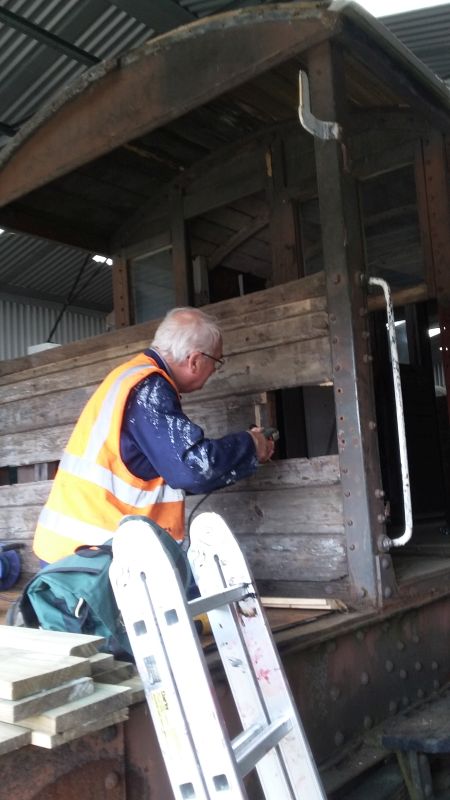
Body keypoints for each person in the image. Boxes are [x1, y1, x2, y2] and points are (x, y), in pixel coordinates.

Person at [33, 307, 274, 565]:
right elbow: (194, 469)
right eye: (216, 362)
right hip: (93, 559)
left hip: (76, 551)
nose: (215, 370)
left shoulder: (129, 377)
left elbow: (166, 470)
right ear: (195, 361)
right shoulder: (147, 388)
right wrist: (251, 444)